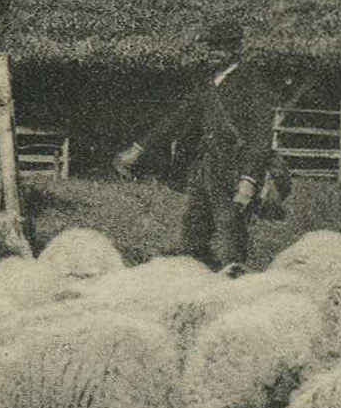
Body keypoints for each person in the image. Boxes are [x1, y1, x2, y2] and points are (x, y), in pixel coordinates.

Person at [113, 19, 287, 273]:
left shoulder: (253, 83)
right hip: (203, 168)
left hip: (234, 171)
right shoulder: (207, 82)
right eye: (209, 47)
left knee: (230, 240)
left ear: (235, 48)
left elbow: (260, 138)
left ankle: (234, 286)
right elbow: (180, 116)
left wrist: (248, 181)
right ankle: (198, 280)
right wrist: (138, 149)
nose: (212, 52)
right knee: (192, 236)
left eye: (219, 47)